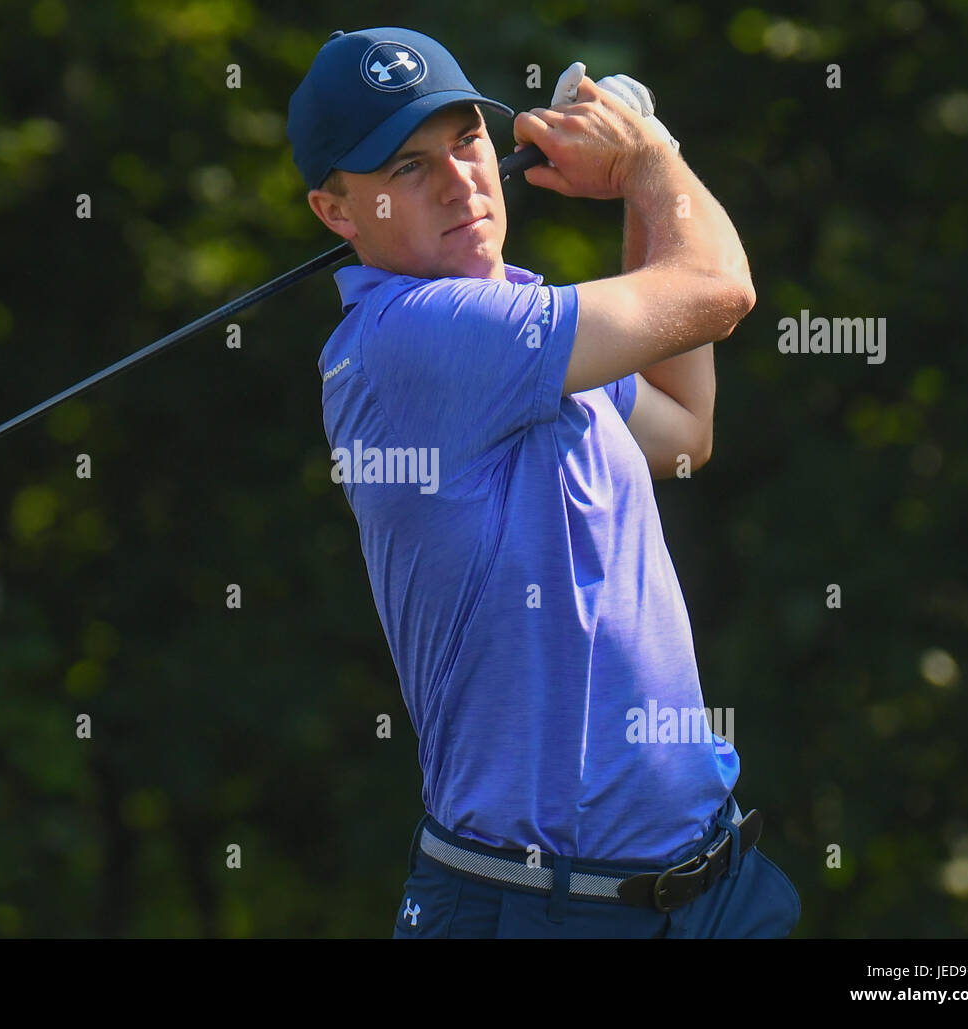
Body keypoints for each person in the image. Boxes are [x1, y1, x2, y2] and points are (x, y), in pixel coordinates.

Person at [286, 26, 801, 938]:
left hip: (711, 887)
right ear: (336, 211)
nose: (459, 181)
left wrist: (648, 180)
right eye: (407, 168)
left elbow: (685, 428)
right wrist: (649, 163)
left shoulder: (523, 319)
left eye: (468, 141)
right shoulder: (412, 340)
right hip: (538, 909)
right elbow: (720, 287)